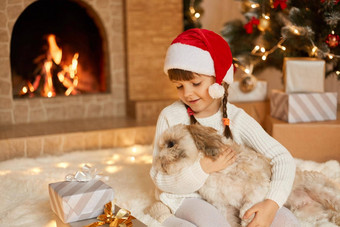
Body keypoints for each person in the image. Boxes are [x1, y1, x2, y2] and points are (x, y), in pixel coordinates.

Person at [149, 28, 299, 227]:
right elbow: (159, 177)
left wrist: (271, 204)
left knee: (286, 221)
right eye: (179, 86)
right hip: (188, 195)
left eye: (195, 83)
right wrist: (203, 169)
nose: (187, 93)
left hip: (231, 196)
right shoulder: (171, 116)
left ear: (218, 80)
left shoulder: (236, 117)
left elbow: (282, 158)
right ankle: (165, 218)